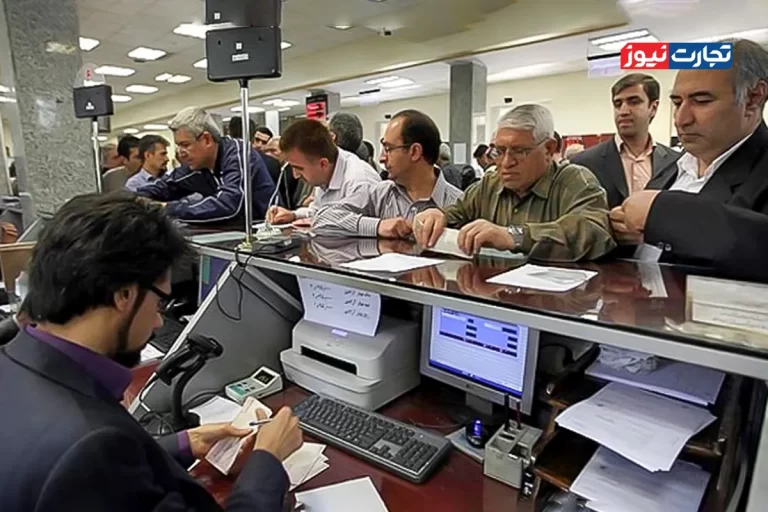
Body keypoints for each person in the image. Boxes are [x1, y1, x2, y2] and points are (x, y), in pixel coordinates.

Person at [0, 193, 303, 511]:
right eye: (159, 301)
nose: (159, 321)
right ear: (124, 295)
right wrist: (268, 461)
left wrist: (184, 444)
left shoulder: (14, 360)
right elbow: (95, 467)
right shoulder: (92, 450)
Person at [611, 38, 768, 280]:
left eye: (701, 101)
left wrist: (661, 214)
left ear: (753, 98)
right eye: (677, 102)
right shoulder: (671, 168)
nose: (681, 119)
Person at [414, 104, 615, 262]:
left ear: (548, 148)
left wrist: (514, 236)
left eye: (520, 151)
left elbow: (593, 230)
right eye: (499, 151)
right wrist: (437, 216)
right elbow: (457, 212)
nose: (506, 163)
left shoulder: (575, 181)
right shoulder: (490, 184)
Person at [312, 109, 462, 239]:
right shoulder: (380, 194)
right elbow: (322, 218)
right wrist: (378, 226)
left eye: (388, 149)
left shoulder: (459, 204)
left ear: (415, 152)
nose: (381, 158)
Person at [136, 107, 276, 225]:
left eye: (185, 145)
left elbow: (228, 204)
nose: (180, 153)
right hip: (229, 234)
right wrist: (136, 200)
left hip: (267, 233)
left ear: (207, 140)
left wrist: (167, 208)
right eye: (178, 146)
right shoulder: (196, 165)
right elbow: (161, 187)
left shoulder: (238, 153)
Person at [570, 73, 680, 208]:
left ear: (653, 108)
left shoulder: (675, 163)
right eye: (618, 104)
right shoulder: (585, 163)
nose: (623, 111)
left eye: (634, 102)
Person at [266, 119, 380, 225]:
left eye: (299, 168)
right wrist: (293, 215)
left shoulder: (360, 183)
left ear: (323, 164)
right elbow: (317, 211)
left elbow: (355, 225)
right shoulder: (326, 169)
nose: (295, 175)